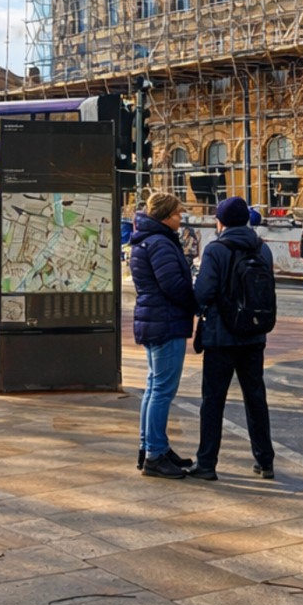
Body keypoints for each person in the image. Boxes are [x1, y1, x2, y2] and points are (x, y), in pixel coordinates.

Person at [186, 195, 276, 481]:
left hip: (220, 336)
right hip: (254, 334)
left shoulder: (215, 250)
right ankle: (265, 461)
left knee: (213, 400)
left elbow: (203, 293)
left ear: (220, 220)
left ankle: (207, 463)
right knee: (256, 397)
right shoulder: (263, 250)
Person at [128, 191, 198, 479]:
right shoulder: (160, 243)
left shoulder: (147, 239)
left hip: (153, 318)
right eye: (178, 214)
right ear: (166, 216)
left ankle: (152, 447)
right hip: (165, 320)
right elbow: (173, 285)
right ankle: (155, 454)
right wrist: (195, 302)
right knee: (162, 390)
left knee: (154, 387)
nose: (181, 219)